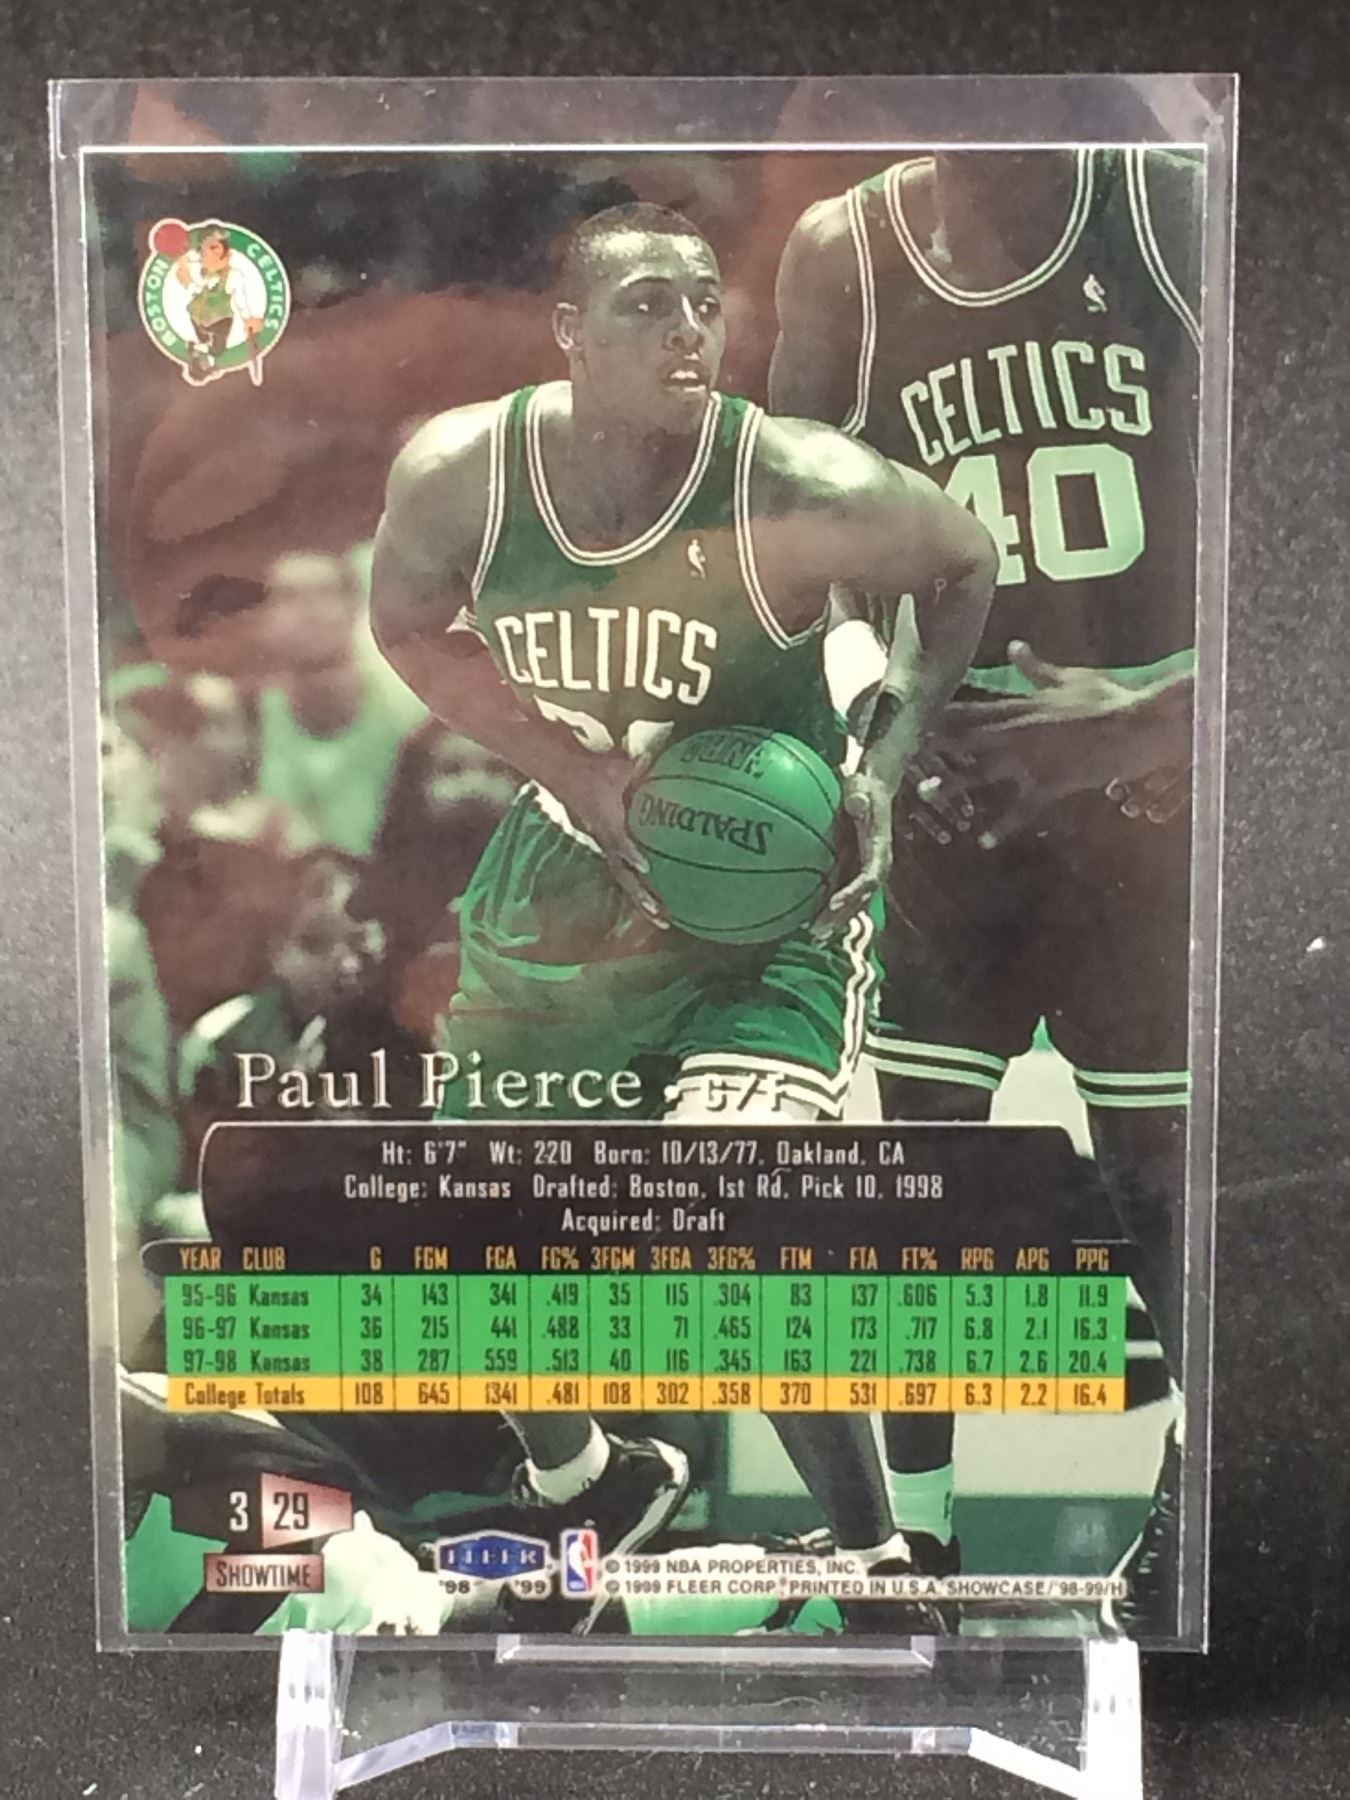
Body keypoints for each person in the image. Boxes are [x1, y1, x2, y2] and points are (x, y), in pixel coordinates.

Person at [370, 201, 996, 1628]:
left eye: (706, 302)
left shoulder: (792, 478)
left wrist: (883, 761)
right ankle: (590, 1476)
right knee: (459, 1243)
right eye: (647, 304)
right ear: (569, 333)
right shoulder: (463, 475)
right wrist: (567, 765)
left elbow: (961, 563)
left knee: (733, 1217)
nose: (689, 330)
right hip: (561, 876)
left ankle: (875, 1564)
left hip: (756, 911)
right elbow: (407, 626)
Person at [771, 147, 1202, 1635]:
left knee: (1163, 1178)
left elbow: (1300, 544)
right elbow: (795, 546)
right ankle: (917, 1552)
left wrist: (1144, 719)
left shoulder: (1166, 201)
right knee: (919, 1183)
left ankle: (1204, 1501)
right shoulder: (843, 248)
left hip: (1148, 786)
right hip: (948, 786)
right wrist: (874, 709)